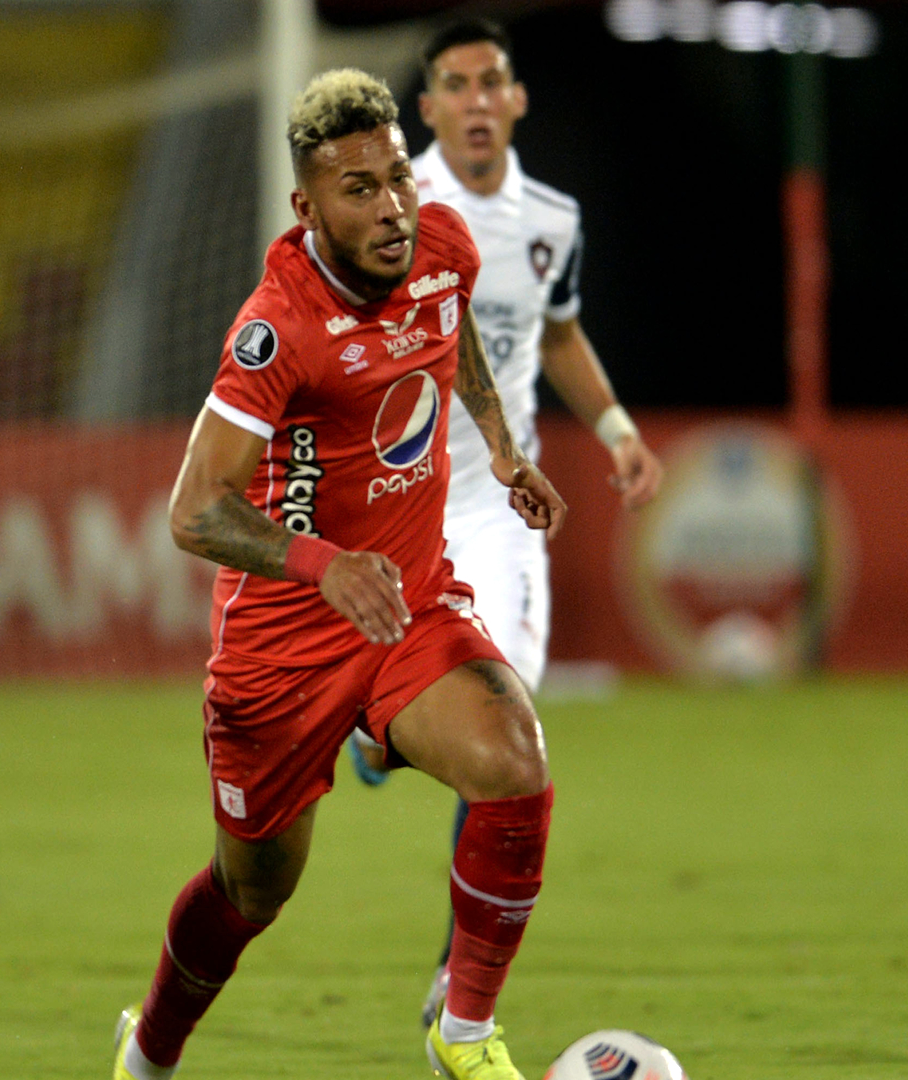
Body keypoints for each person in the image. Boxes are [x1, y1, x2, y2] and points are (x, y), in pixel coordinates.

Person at [111, 70, 567, 1080]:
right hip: (283, 646)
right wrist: (321, 563)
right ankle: (148, 1050)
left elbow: (454, 349)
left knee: (514, 758)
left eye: (398, 175)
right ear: (307, 207)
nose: (393, 206)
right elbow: (194, 510)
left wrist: (500, 447)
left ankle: (464, 1031)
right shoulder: (278, 326)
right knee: (253, 892)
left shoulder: (441, 246)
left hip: (405, 606)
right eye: (359, 189)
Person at [341, 18, 663, 1027]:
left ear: (517, 99)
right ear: (427, 108)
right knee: (412, 731)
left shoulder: (551, 220)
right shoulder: (388, 210)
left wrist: (613, 427)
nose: (477, 99)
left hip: (500, 515)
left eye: (492, 81)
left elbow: (557, 332)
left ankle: (455, 988)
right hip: (397, 507)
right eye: (454, 84)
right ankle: (377, 735)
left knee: (506, 727)